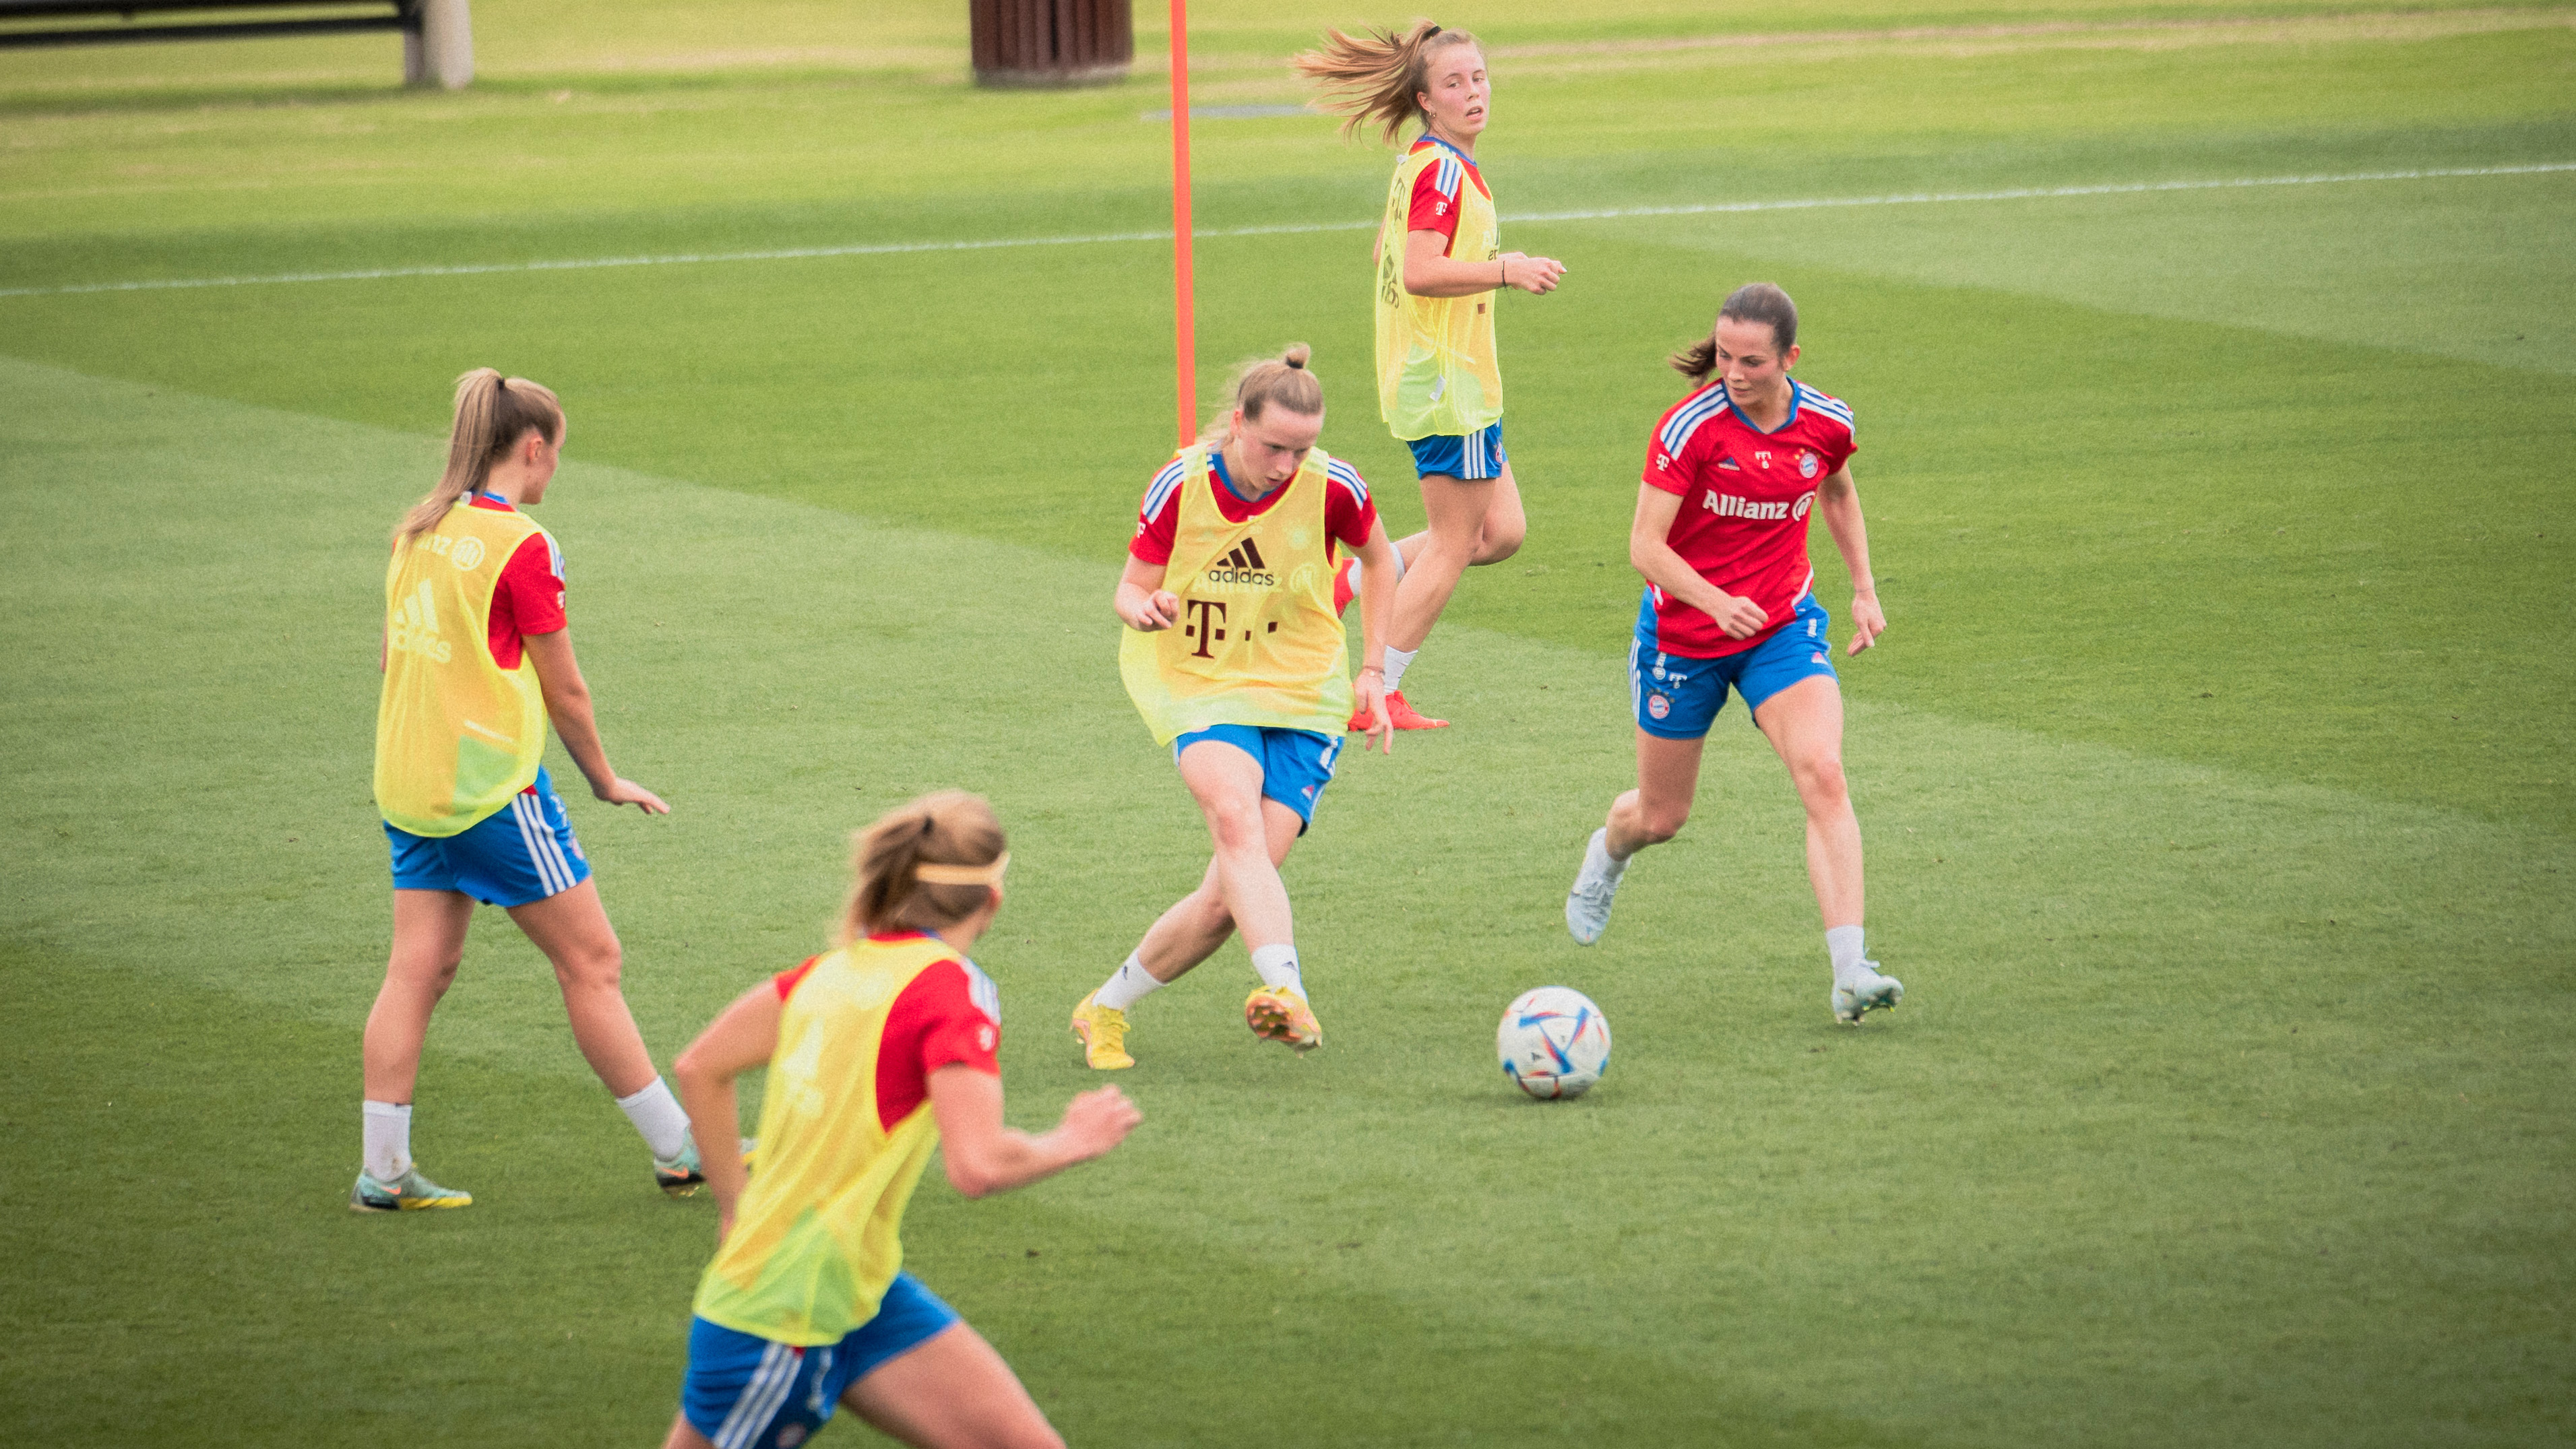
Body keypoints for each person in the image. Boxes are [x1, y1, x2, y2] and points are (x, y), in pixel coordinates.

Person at [663, 792, 1139, 1449]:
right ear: (992, 901)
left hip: (859, 1289)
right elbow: (977, 1166)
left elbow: (699, 1067)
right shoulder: (952, 990)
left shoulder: (824, 973)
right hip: (784, 1314)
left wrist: (733, 1209)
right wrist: (1072, 1141)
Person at [356, 368, 699, 1212]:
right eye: (556, 457)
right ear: (534, 448)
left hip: (410, 784)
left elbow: (390, 659)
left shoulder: (419, 530)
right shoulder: (522, 545)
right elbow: (565, 688)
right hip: (490, 790)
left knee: (418, 971)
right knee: (592, 962)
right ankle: (680, 1150)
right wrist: (604, 780)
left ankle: (384, 1170)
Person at [1563, 285, 1906, 1025]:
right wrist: (1714, 602)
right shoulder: (1690, 429)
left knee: (1824, 772)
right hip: (1684, 642)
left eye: (1751, 360)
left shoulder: (1826, 421)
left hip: (1781, 630)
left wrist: (1864, 588)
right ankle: (1608, 852)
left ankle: (1851, 971)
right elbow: (1643, 547)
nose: (1733, 372)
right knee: (1660, 817)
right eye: (1723, 355)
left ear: (1789, 358)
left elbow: (1837, 493)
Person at [1069, 346, 1402, 1070]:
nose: (1287, 465)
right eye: (1274, 447)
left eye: (1302, 448)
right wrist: (1145, 607)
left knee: (1226, 899)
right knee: (1233, 818)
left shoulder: (1335, 484)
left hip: (1304, 692)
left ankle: (1103, 1009)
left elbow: (1381, 562)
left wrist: (1375, 669)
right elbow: (1127, 589)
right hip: (1202, 684)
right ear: (1236, 426)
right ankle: (1287, 991)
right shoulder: (1178, 484)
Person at [1297, 20, 1566, 731]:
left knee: (1499, 533)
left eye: (1478, 78)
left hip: (1438, 377)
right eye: (1454, 83)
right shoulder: (1443, 171)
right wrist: (1505, 271)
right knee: (1455, 543)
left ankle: (1349, 577)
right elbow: (1417, 269)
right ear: (1426, 98)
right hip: (1450, 386)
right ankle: (1378, 690)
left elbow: (1386, 253)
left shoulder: (1425, 162)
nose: (1473, 93)